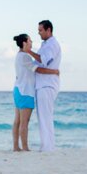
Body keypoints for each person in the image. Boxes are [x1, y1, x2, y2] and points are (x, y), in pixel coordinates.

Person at [12, 34, 59, 152]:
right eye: (30, 40)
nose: (31, 42)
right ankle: (25, 148)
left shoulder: (19, 56)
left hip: (18, 90)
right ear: (25, 43)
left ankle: (16, 147)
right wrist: (54, 71)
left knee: (17, 120)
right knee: (24, 122)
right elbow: (38, 69)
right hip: (25, 91)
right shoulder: (25, 57)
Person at [26, 20, 62, 152]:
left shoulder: (52, 45)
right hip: (43, 85)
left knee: (45, 117)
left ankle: (48, 147)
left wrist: (29, 51)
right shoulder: (46, 45)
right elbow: (38, 62)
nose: (38, 32)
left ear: (48, 30)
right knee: (43, 117)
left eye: (40, 30)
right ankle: (47, 146)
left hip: (47, 85)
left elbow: (44, 61)